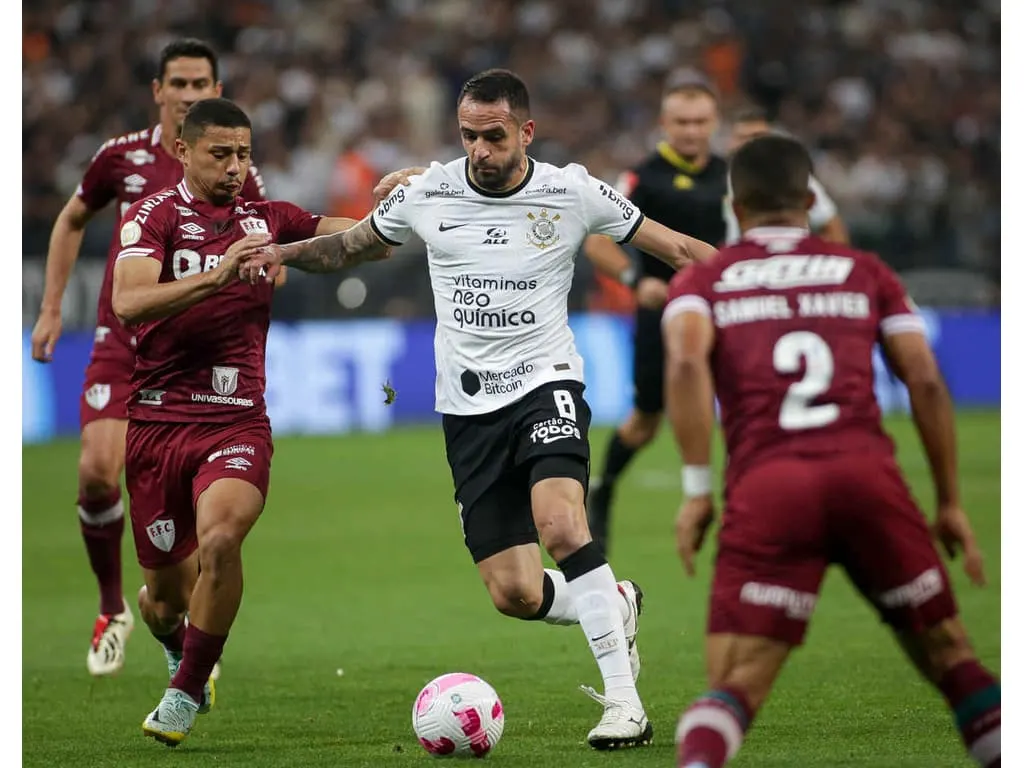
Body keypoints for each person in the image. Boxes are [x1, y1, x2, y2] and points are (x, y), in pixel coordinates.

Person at [238, 68, 718, 751]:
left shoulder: (571, 190)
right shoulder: (428, 192)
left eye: (494, 137)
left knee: (560, 522)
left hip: (546, 382)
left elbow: (676, 248)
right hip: (467, 410)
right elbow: (350, 247)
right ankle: (612, 601)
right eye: (468, 137)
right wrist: (278, 252)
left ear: (526, 131)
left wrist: (754, 284)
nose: (481, 151)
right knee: (514, 593)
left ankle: (624, 703)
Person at [662, 134, 999, 768]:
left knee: (735, 681)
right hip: (867, 479)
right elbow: (923, 377)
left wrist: (697, 489)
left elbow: (683, 364)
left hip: (769, 489)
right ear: (811, 198)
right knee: (953, 660)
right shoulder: (863, 270)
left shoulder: (706, 281)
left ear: (735, 203)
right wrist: (950, 500)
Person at [111, 97, 414, 747]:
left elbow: (362, 242)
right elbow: (128, 301)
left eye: (244, 154)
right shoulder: (153, 219)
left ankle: (185, 692)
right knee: (162, 600)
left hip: (235, 422)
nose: (234, 166)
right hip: (157, 425)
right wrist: (219, 276)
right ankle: (180, 643)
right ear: (183, 152)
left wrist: (409, 202)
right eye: (220, 154)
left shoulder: (269, 220)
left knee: (221, 539)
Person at [28, 39, 267, 677]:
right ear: (158, 91)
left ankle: (175, 618)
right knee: (96, 471)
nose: (190, 93)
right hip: (123, 340)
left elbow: (272, 242)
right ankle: (113, 607)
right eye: (180, 83)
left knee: (185, 533)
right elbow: (71, 219)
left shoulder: (235, 166)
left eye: (202, 82)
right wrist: (52, 307)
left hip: (193, 363)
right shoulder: (123, 158)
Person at [584, 68, 729, 556]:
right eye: (682, 121)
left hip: (725, 314)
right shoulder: (642, 177)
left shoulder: (731, 177)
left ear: (714, 122)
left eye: (700, 121)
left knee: (745, 409)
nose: (691, 131)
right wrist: (634, 280)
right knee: (646, 420)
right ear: (665, 122)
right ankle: (602, 489)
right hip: (661, 317)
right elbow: (596, 240)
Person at [723, 105, 849, 245]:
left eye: (758, 136)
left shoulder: (793, 176)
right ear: (731, 141)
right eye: (743, 137)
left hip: (796, 259)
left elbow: (832, 225)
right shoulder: (719, 180)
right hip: (737, 262)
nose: (751, 143)